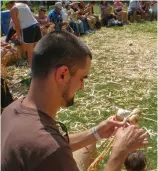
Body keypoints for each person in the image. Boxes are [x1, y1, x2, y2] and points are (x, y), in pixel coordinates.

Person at [1, 31, 149, 171]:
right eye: (82, 78)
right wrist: (119, 152)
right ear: (63, 74)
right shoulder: (49, 149)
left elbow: (53, 144)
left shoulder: (12, 109)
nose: (82, 87)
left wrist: (96, 133)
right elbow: (51, 149)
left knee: (90, 145)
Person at [10, 1, 42, 68]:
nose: (7, 8)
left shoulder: (13, 9)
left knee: (29, 52)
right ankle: (40, 66)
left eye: (6, 6)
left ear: (8, 3)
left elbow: (17, 25)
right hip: (36, 26)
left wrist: (19, 37)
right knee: (37, 49)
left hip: (28, 29)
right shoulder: (24, 5)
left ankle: (32, 71)